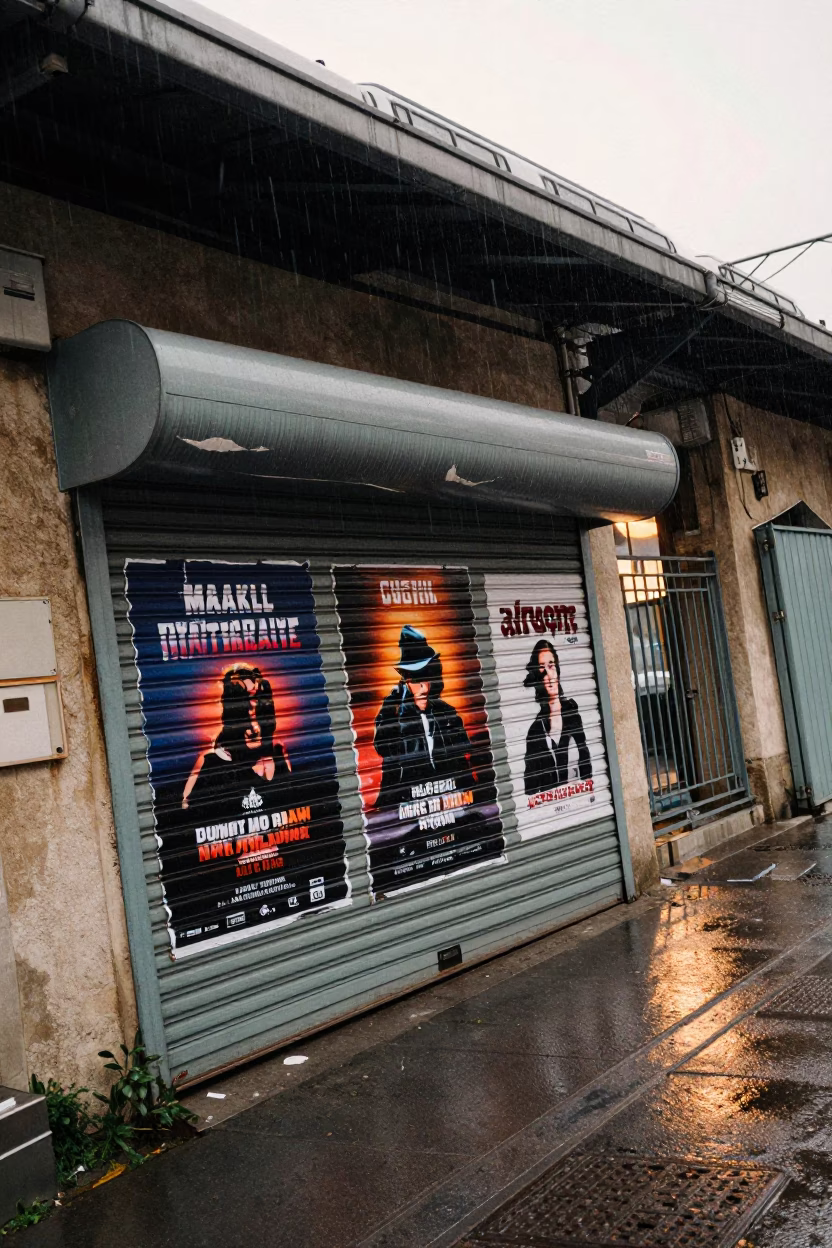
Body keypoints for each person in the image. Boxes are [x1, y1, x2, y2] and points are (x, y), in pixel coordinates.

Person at [374, 626, 474, 807]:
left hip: (452, 800)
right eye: (414, 679)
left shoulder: (447, 713)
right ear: (405, 681)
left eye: (426, 678)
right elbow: (383, 747)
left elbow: (462, 759)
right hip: (406, 804)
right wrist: (392, 706)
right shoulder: (395, 714)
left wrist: (471, 794)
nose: (423, 687)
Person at [181, 663, 293, 818]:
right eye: (243, 707)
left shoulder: (278, 753)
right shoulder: (210, 761)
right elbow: (187, 816)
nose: (254, 725)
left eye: (259, 706)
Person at [523, 639, 592, 796]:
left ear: (558, 670)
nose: (548, 674)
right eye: (542, 668)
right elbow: (531, 789)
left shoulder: (573, 716)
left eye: (551, 665)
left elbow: (586, 766)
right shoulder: (535, 731)